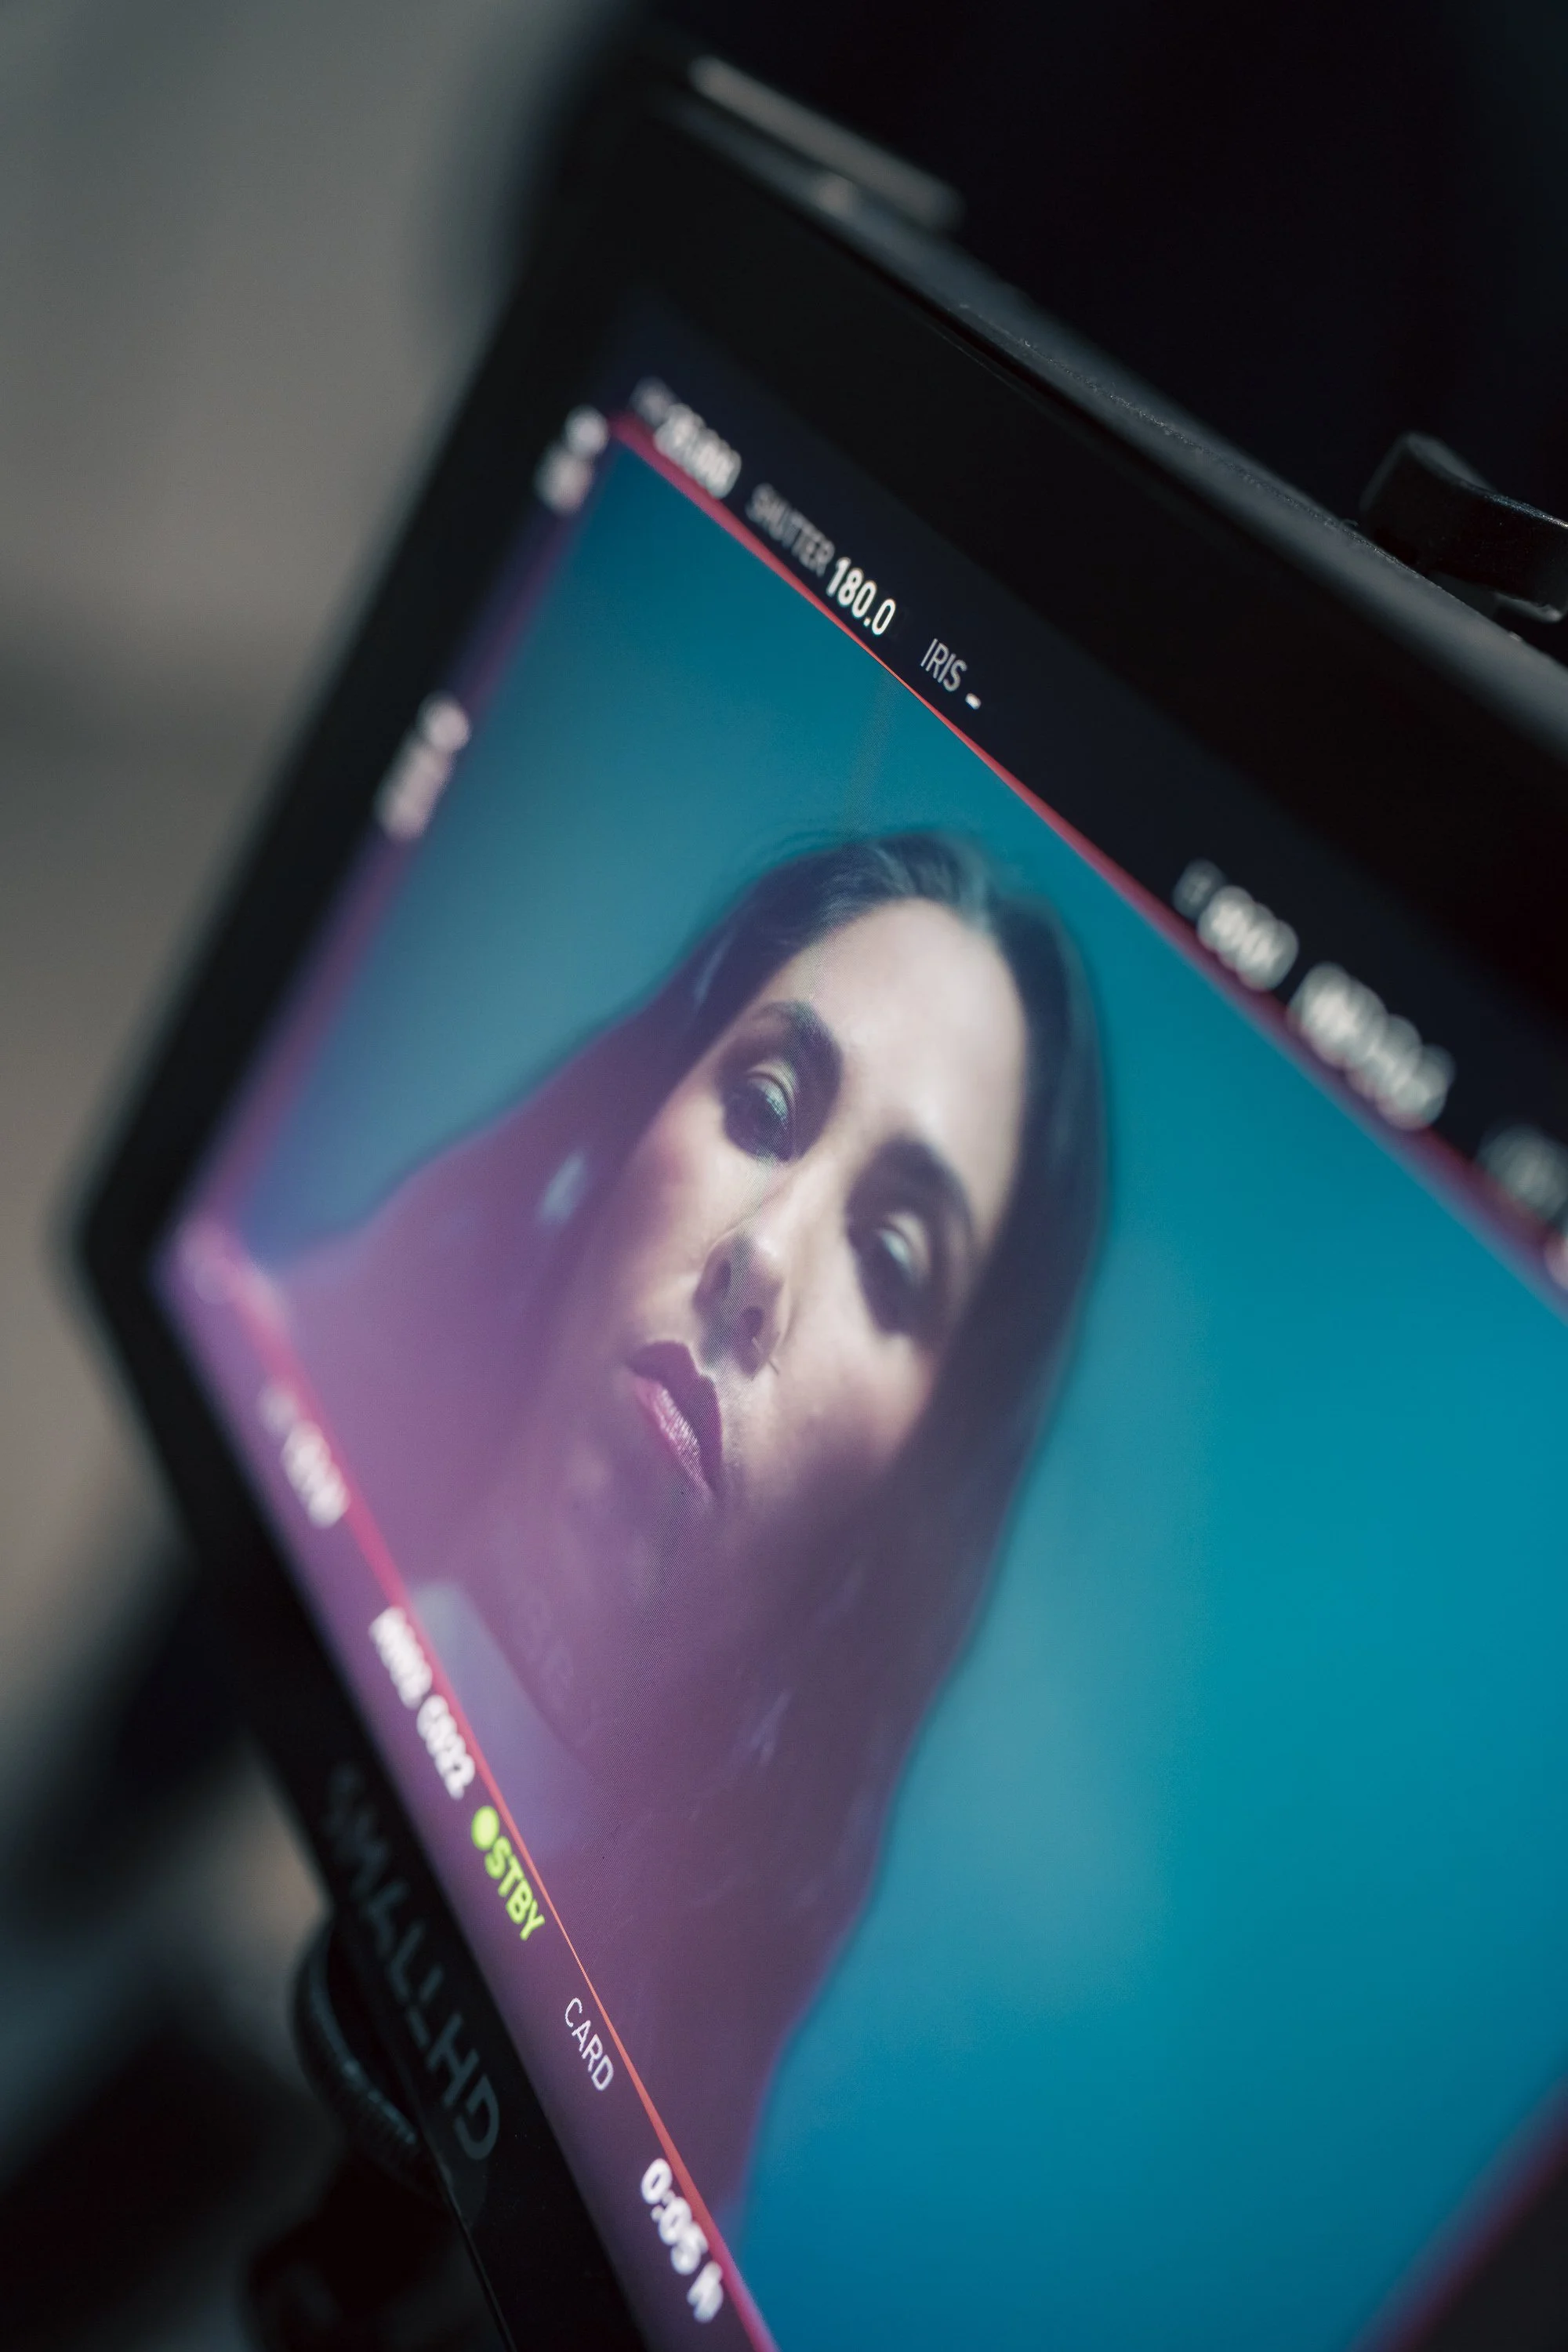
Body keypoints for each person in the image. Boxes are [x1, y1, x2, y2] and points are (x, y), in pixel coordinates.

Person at [275, 831, 1106, 2204]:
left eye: (890, 1257)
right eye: (767, 1108)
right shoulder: (279, 1388)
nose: (760, 1257)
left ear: (912, 1488)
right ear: (633, 1126)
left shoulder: (628, 2156)